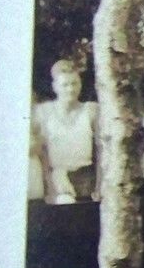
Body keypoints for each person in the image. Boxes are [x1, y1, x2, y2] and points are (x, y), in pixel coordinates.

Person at [32, 59, 98, 202]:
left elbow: (102, 150)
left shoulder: (90, 110)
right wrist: (51, 184)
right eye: (65, 85)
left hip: (86, 182)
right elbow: (38, 152)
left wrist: (99, 186)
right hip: (54, 181)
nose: (70, 89)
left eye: (74, 83)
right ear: (55, 87)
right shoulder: (43, 112)